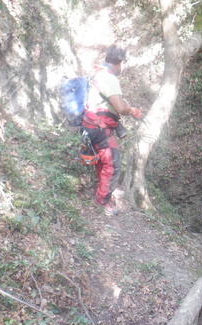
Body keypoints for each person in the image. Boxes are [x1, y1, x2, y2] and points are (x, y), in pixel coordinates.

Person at [82, 44, 142, 216]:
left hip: (89, 125)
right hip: (100, 128)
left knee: (103, 161)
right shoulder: (109, 78)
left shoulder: (95, 73)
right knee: (113, 164)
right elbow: (120, 107)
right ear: (120, 62)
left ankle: (107, 188)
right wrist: (133, 111)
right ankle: (103, 201)